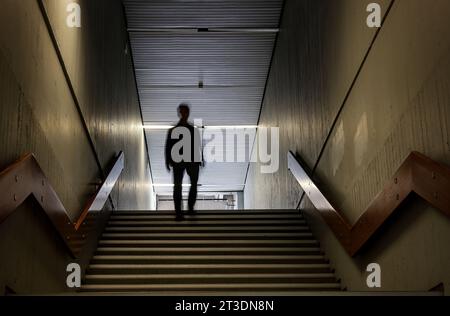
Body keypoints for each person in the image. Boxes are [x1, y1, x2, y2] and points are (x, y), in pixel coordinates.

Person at [165, 104, 202, 220]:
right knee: (177, 187)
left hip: (190, 161)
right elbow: (168, 146)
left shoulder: (192, 130)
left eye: (186, 112)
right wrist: (168, 160)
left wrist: (199, 159)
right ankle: (179, 212)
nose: (184, 114)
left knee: (193, 185)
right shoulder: (173, 131)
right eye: (182, 112)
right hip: (179, 161)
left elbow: (197, 145)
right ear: (179, 113)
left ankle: (189, 208)